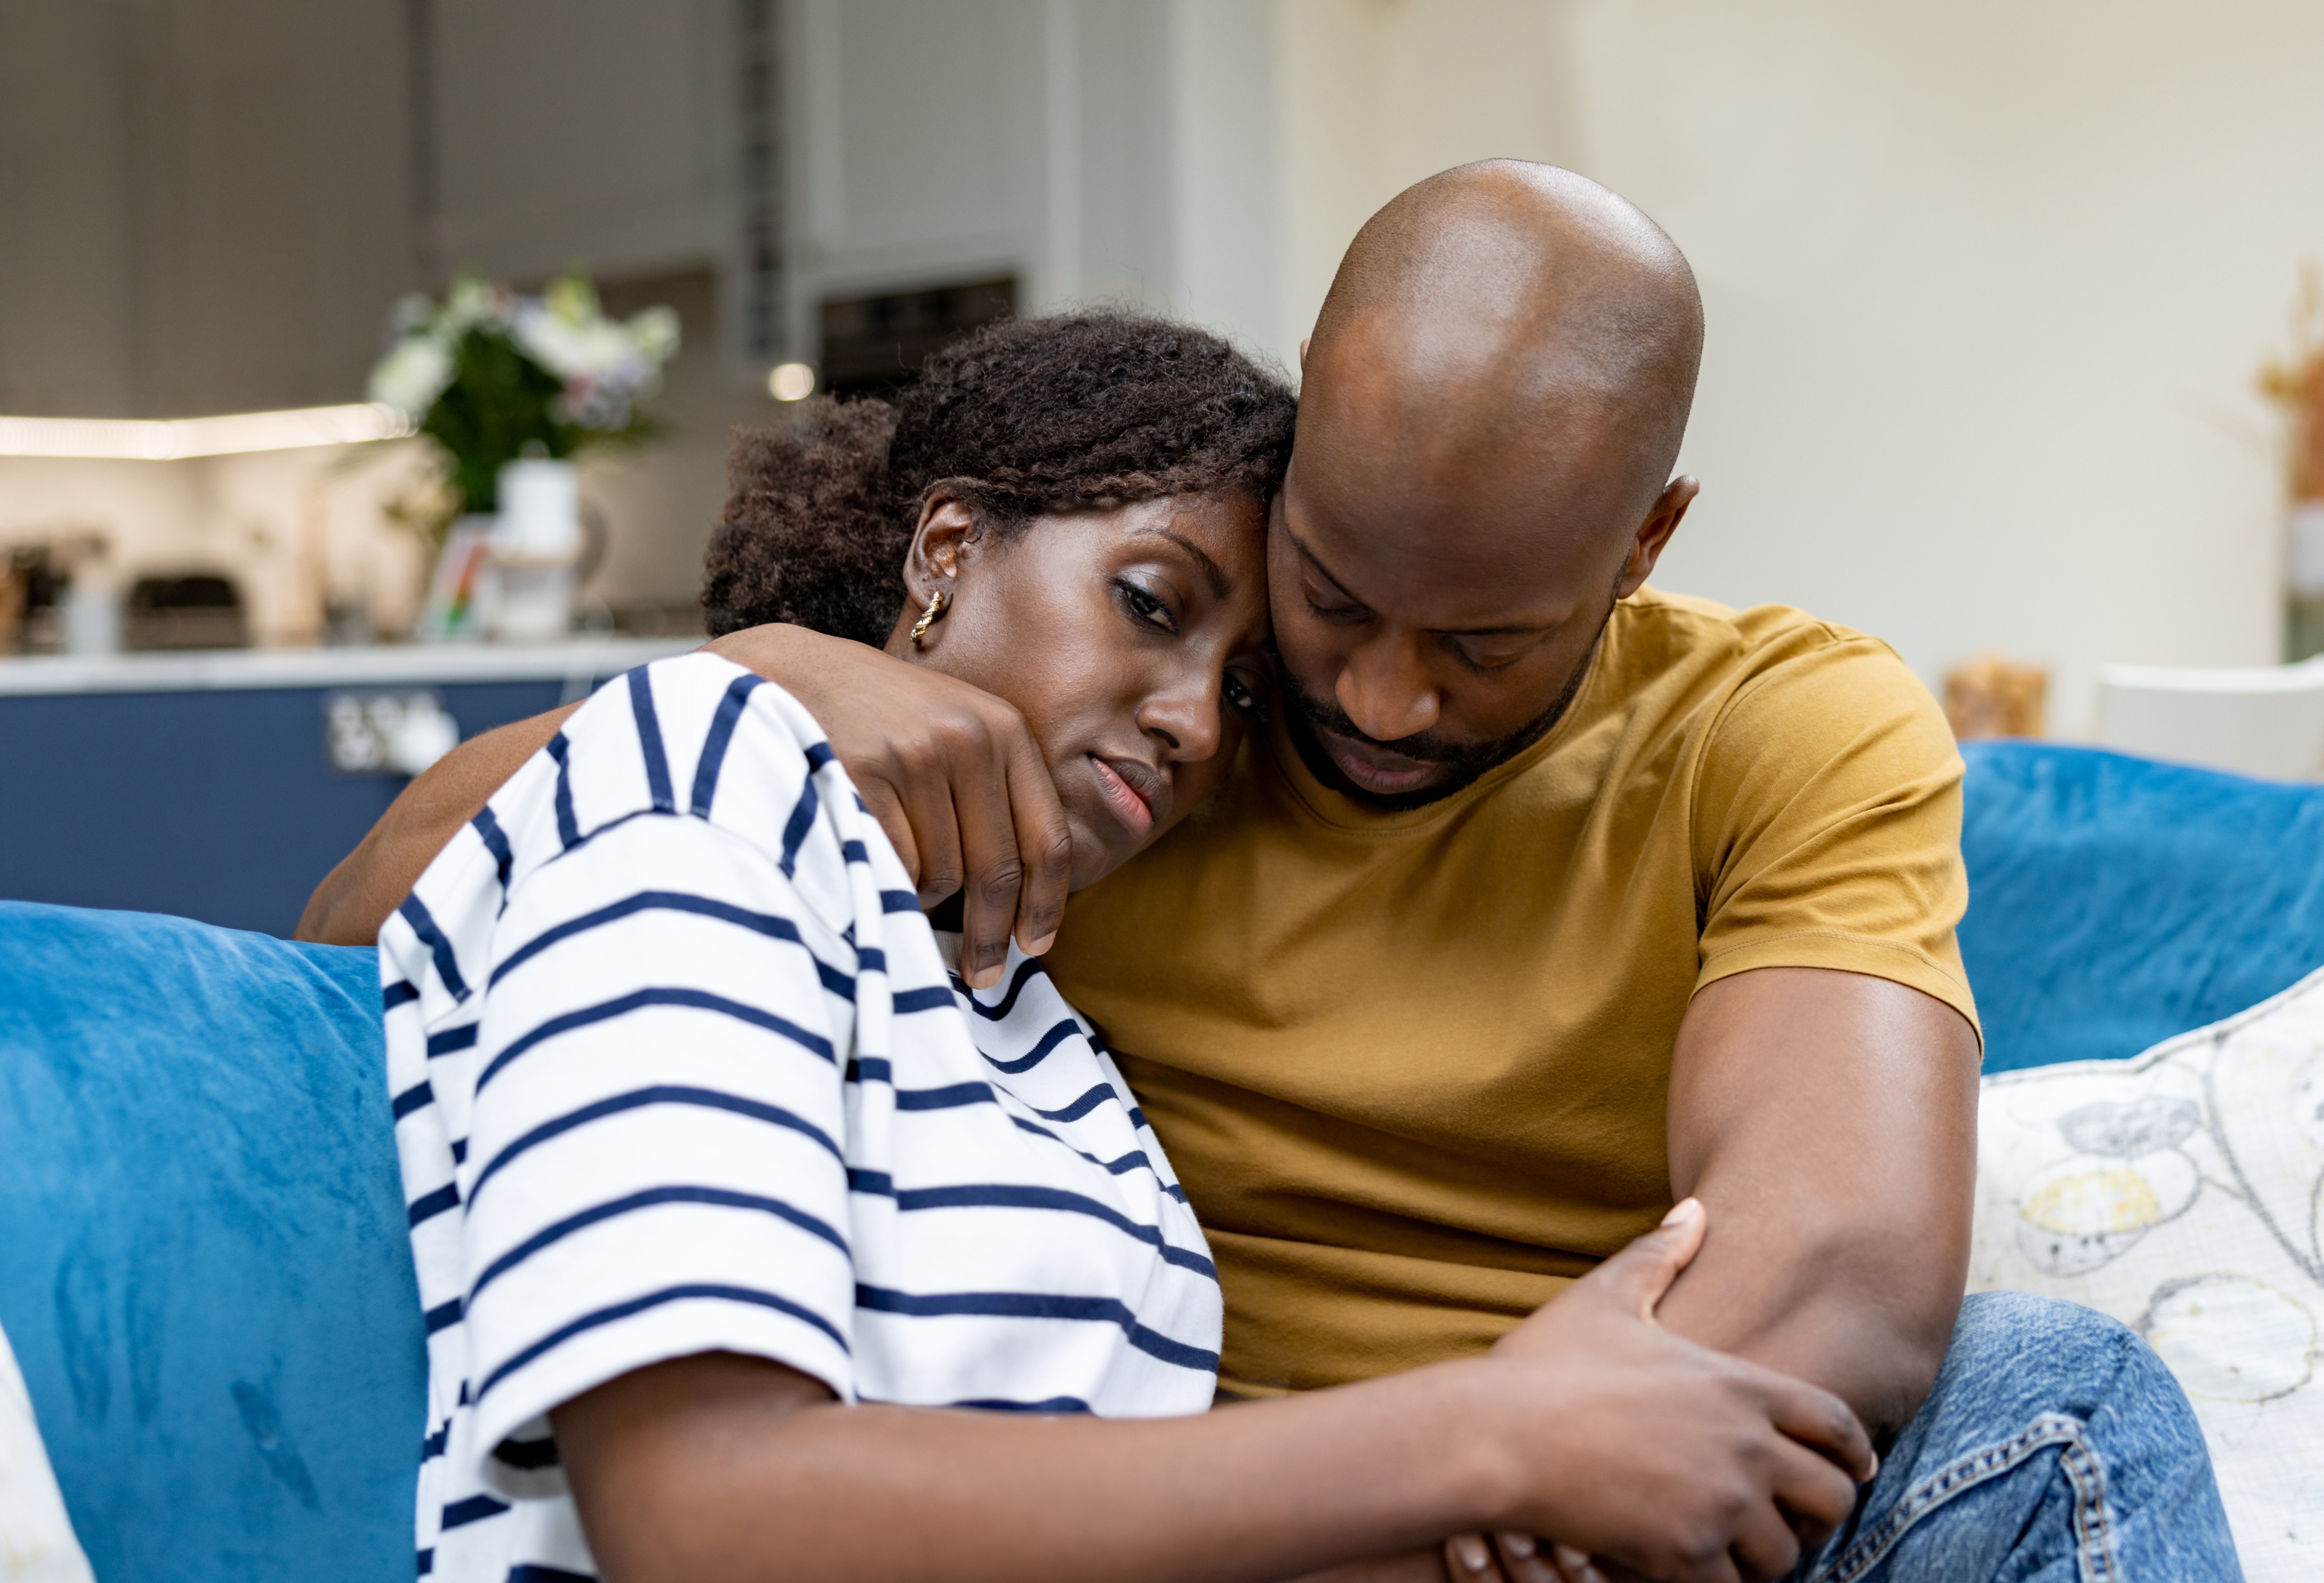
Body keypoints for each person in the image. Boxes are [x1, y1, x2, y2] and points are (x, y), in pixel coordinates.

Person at [311, 168, 2239, 1580]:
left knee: (2041, 1390)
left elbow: (1840, 1263)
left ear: (1643, 542)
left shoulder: (1772, 721)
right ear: (1302, 436)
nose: (1380, 694)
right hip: (1225, 1506)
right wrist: (747, 692)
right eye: (1327, 598)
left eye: (1485, 640)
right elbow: (388, 923)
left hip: (1563, 1506)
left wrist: (1508, 1473)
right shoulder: (1025, 785)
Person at [375, 312, 1873, 1583]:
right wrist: (1491, 1439)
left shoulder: (1026, 999)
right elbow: (697, 1515)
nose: (1187, 721)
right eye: (1149, 605)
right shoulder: (720, 792)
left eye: (1239, 693)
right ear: (947, 545)